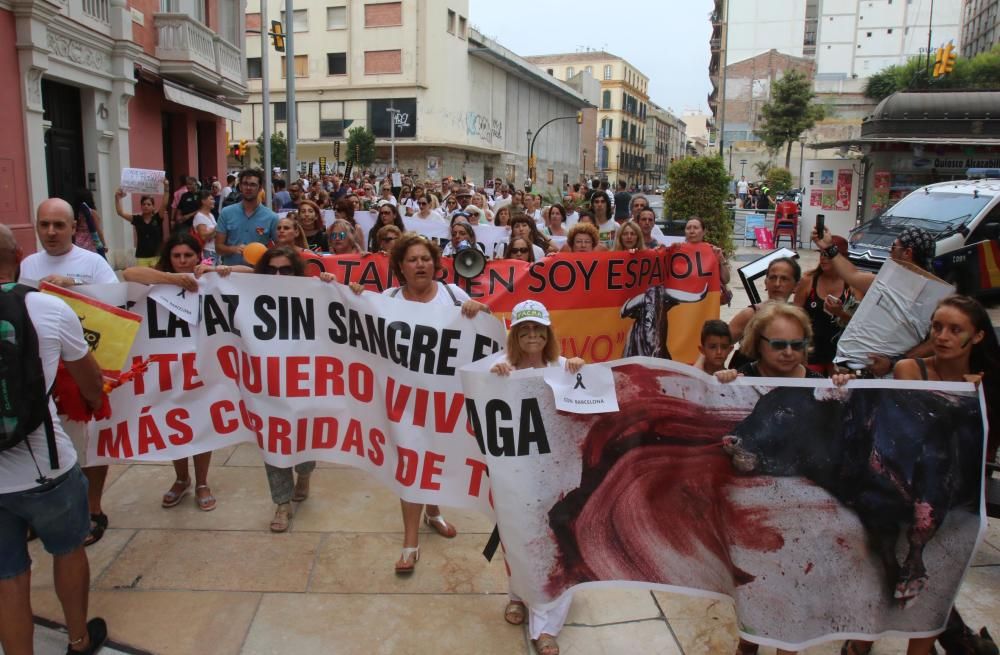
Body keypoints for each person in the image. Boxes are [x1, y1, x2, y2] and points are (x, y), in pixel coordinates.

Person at [840, 295, 999, 655]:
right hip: (901, 492)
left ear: (976, 337)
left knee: (936, 585)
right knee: (882, 580)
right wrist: (964, 402)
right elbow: (910, 428)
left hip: (955, 500)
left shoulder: (987, 385)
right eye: (937, 326)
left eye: (954, 329)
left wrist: (980, 400)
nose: (942, 336)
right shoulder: (912, 370)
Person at [349, 233, 489, 573]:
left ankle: (434, 512)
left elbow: (486, 332)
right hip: (404, 401)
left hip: (445, 400)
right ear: (400, 266)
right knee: (411, 462)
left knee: (436, 456)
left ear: (436, 264)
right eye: (412, 259)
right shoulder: (388, 298)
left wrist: (479, 308)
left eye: (425, 258)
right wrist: (349, 297)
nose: (420, 264)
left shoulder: (453, 295)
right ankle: (410, 542)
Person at [0, 224, 109, 655]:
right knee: (67, 550)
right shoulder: (47, 308)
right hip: (45, 465)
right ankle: (79, 639)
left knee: (8, 576)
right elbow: (91, 380)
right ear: (20, 254)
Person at [19, 199, 119, 546]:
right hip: (43, 370)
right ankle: (43, 512)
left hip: (85, 367)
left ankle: (92, 508)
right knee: (45, 440)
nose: (50, 232)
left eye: (58, 225)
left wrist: (74, 286)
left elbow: (116, 303)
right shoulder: (29, 264)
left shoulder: (92, 263)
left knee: (91, 444)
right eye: (44, 224)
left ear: (73, 227)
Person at [490, 300, 584, 655]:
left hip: (557, 475)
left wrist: (578, 369)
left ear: (548, 334)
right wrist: (496, 379)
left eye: (538, 330)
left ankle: (546, 628)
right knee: (517, 534)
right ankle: (517, 594)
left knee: (553, 542)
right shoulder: (499, 367)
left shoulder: (564, 367)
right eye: (525, 330)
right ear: (515, 334)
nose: (532, 336)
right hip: (515, 471)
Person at [123, 235, 231, 512]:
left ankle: (202, 482)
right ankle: (181, 479)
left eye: (188, 256)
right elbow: (128, 273)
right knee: (173, 421)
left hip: (202, 366)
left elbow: (251, 275)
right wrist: (172, 279)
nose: (182, 261)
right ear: (169, 258)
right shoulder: (157, 280)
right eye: (177, 256)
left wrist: (216, 271)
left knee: (201, 420)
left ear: (198, 256)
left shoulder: (209, 279)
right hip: (169, 367)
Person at [248, 247, 337, 531]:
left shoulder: (312, 293)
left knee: (304, 437)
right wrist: (221, 272)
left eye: (285, 270)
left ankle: (305, 473)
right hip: (267, 385)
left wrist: (330, 286)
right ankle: (282, 504)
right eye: (271, 269)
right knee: (274, 443)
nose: (278, 275)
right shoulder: (248, 295)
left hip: (304, 383)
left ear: (296, 273)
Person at [792, 235, 858, 375]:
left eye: (828, 255)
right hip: (812, 349)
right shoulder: (808, 280)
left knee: (839, 393)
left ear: (841, 258)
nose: (823, 258)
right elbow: (794, 317)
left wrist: (840, 313)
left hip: (840, 352)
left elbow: (860, 324)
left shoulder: (852, 285)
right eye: (821, 254)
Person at [728, 257, 801, 370]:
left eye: (784, 279)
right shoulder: (750, 315)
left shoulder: (798, 318)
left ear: (796, 286)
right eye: (772, 278)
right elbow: (717, 342)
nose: (777, 284)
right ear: (765, 283)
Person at [215, 169, 278, 266]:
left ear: (260, 188)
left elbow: (280, 248)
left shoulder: (272, 217)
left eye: (253, 185)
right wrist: (234, 249)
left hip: (258, 273)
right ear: (240, 186)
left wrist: (265, 254)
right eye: (245, 184)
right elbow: (218, 248)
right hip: (230, 273)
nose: (248, 188)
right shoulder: (226, 213)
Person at [114, 178, 170, 267]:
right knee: (144, 280)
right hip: (142, 256)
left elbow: (164, 203)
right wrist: (117, 198)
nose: (146, 206)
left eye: (148, 204)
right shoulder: (137, 219)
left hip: (157, 256)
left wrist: (166, 187)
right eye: (143, 204)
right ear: (141, 206)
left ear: (153, 207)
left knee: (157, 279)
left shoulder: (158, 218)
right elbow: (120, 213)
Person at [71, 189, 107, 258]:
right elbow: (99, 231)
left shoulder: (74, 213)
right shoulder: (92, 213)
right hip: (90, 243)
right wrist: (104, 244)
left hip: (77, 242)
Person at [192, 190, 218, 263]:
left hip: (215, 250)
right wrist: (217, 229)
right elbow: (203, 237)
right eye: (211, 199)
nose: (214, 201)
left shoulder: (211, 215)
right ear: (203, 201)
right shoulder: (199, 216)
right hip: (208, 251)